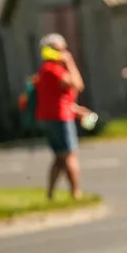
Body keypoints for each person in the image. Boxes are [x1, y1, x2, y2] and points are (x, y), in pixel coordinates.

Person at [34, 34, 85, 201]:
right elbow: (78, 84)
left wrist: (75, 109)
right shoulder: (52, 69)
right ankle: (76, 192)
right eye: (60, 49)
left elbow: (58, 96)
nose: (64, 52)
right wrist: (70, 62)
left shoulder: (47, 69)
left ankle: (50, 194)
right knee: (70, 155)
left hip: (52, 116)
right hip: (59, 118)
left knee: (59, 157)